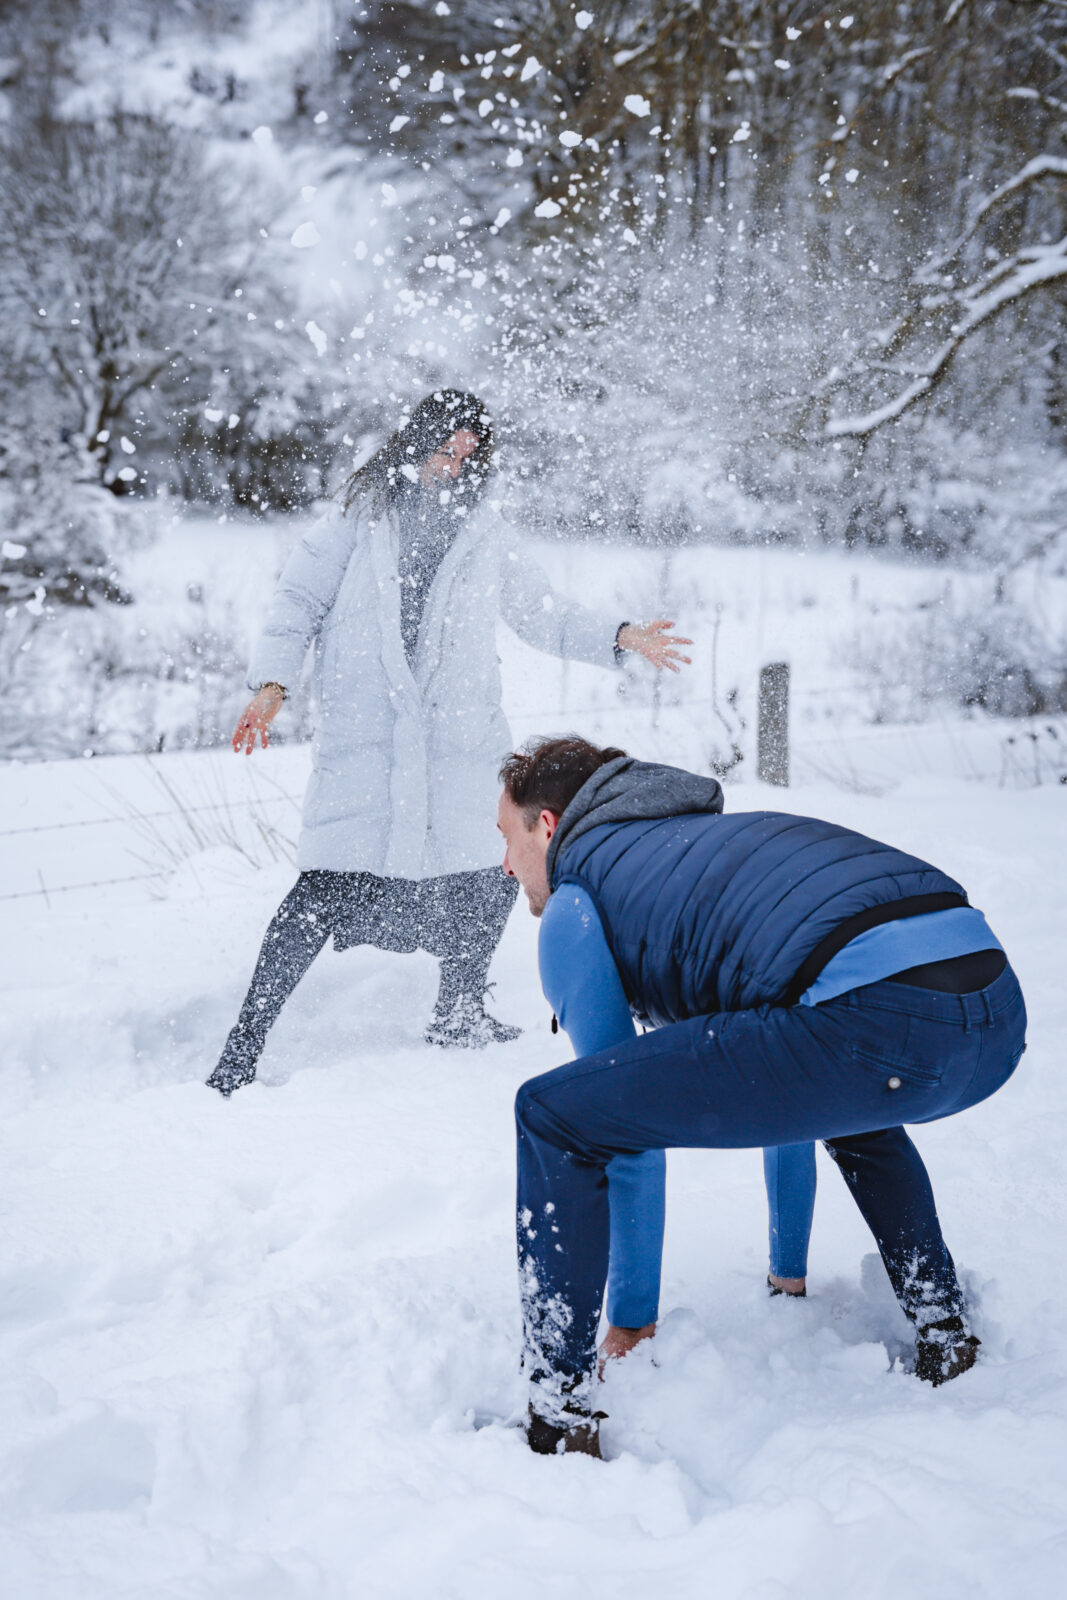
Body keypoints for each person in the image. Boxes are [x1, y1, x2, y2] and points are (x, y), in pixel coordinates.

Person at [497, 737, 1027, 1457]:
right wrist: (788, 1276)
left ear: (548, 826)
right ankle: (941, 1328)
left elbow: (619, 1131)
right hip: (989, 1017)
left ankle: (556, 1416)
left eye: (507, 836)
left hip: (868, 1026)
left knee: (553, 1115)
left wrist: (630, 1324)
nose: (505, 865)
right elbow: (794, 1071)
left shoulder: (576, 897)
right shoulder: (703, 844)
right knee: (852, 1096)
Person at [207, 392, 692, 1096]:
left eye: (467, 455)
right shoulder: (355, 522)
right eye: (443, 449)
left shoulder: (485, 534)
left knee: (485, 872)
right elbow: (296, 603)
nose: (452, 465)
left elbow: (541, 613)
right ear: (413, 444)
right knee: (322, 889)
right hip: (367, 740)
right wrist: (273, 684)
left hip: (459, 742)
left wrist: (618, 635)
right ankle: (240, 1049)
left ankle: (459, 1010)